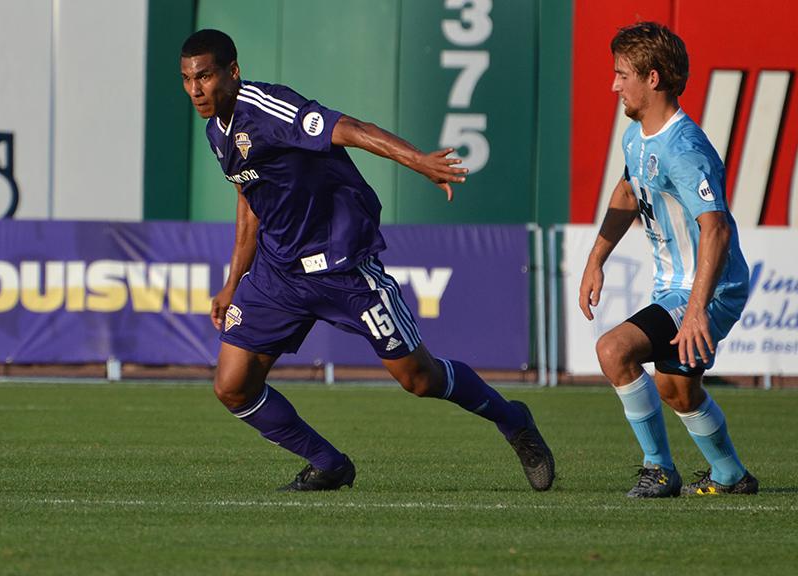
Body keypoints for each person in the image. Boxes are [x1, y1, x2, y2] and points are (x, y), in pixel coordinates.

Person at [180, 29, 555, 492]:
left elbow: (351, 129)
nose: (196, 90)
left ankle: (513, 419)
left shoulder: (268, 107)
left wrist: (419, 160)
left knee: (419, 378)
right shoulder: (216, 130)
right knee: (232, 386)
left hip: (342, 267)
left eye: (205, 76)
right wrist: (233, 280)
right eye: (187, 79)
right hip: (279, 273)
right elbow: (249, 201)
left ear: (232, 72)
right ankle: (329, 463)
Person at [579, 22, 757, 497]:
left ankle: (658, 468)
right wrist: (597, 257)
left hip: (709, 286)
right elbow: (625, 190)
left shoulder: (684, 148)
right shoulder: (637, 138)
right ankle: (732, 476)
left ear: (652, 78)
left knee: (614, 350)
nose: (614, 85)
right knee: (675, 389)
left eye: (622, 75)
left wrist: (697, 309)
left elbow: (715, 226)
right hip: (675, 286)